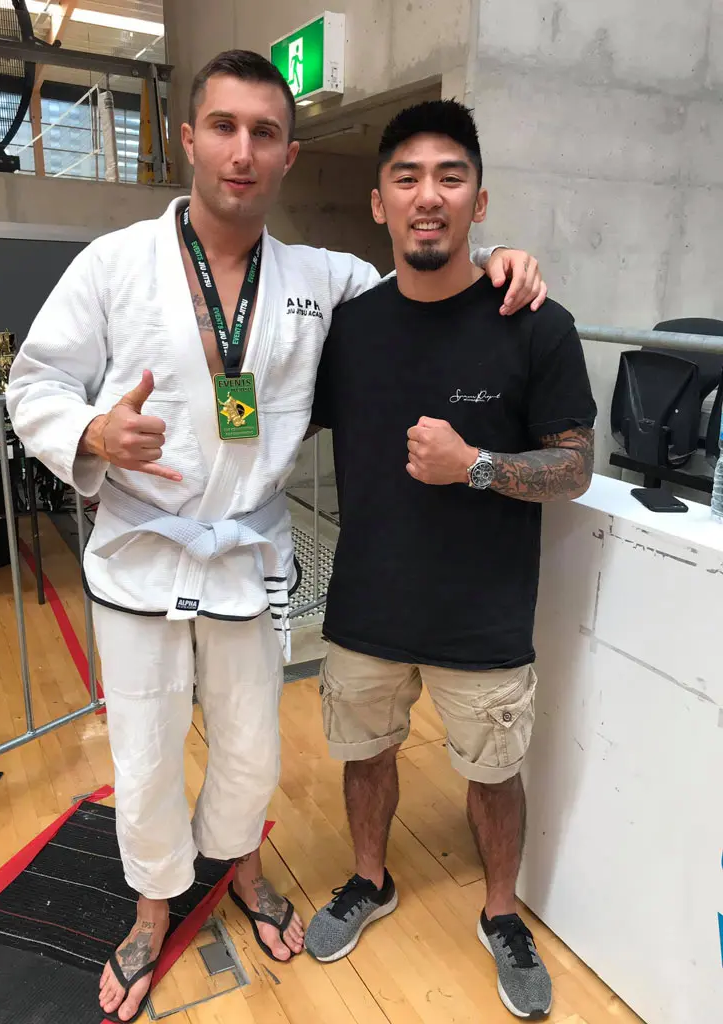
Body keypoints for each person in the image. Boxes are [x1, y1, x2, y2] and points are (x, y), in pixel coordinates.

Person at [6, 52, 546, 1023]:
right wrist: (87, 430)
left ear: (290, 154)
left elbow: (423, 284)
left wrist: (500, 259)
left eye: (264, 133)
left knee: (254, 753)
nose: (242, 151)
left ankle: (245, 872)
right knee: (145, 751)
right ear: (187, 136)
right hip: (141, 547)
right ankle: (149, 909)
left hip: (248, 555)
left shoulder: (323, 278)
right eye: (224, 126)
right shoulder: (113, 263)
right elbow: (33, 381)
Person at [304, 99, 597, 1020]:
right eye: (407, 178)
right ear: (380, 202)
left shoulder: (536, 323)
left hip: (485, 612)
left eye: (449, 177)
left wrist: (473, 464)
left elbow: (576, 466)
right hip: (368, 602)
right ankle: (368, 879)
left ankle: (501, 913)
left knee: (493, 771)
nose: (427, 196)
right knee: (366, 754)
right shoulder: (348, 329)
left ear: (478, 201)